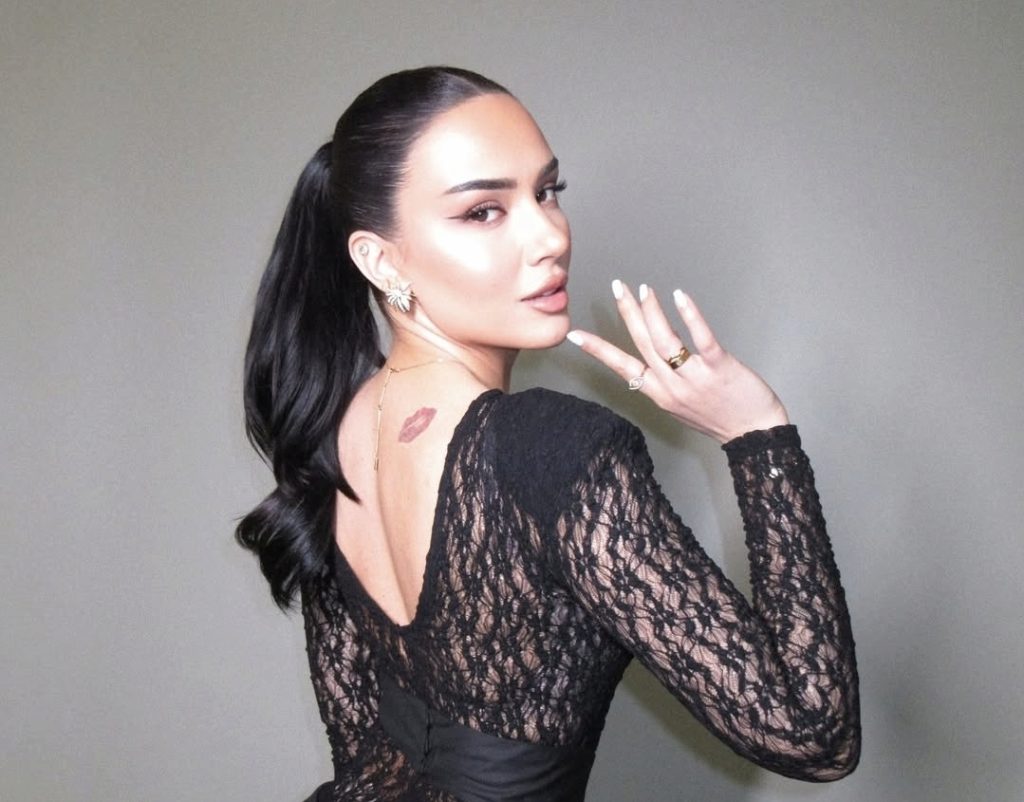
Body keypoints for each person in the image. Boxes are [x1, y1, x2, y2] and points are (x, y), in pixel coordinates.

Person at [236, 66, 860, 802]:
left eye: (547, 191)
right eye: (483, 211)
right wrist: (758, 436)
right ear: (378, 257)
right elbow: (812, 735)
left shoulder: (334, 431)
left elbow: (366, 763)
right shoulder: (554, 448)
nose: (550, 237)